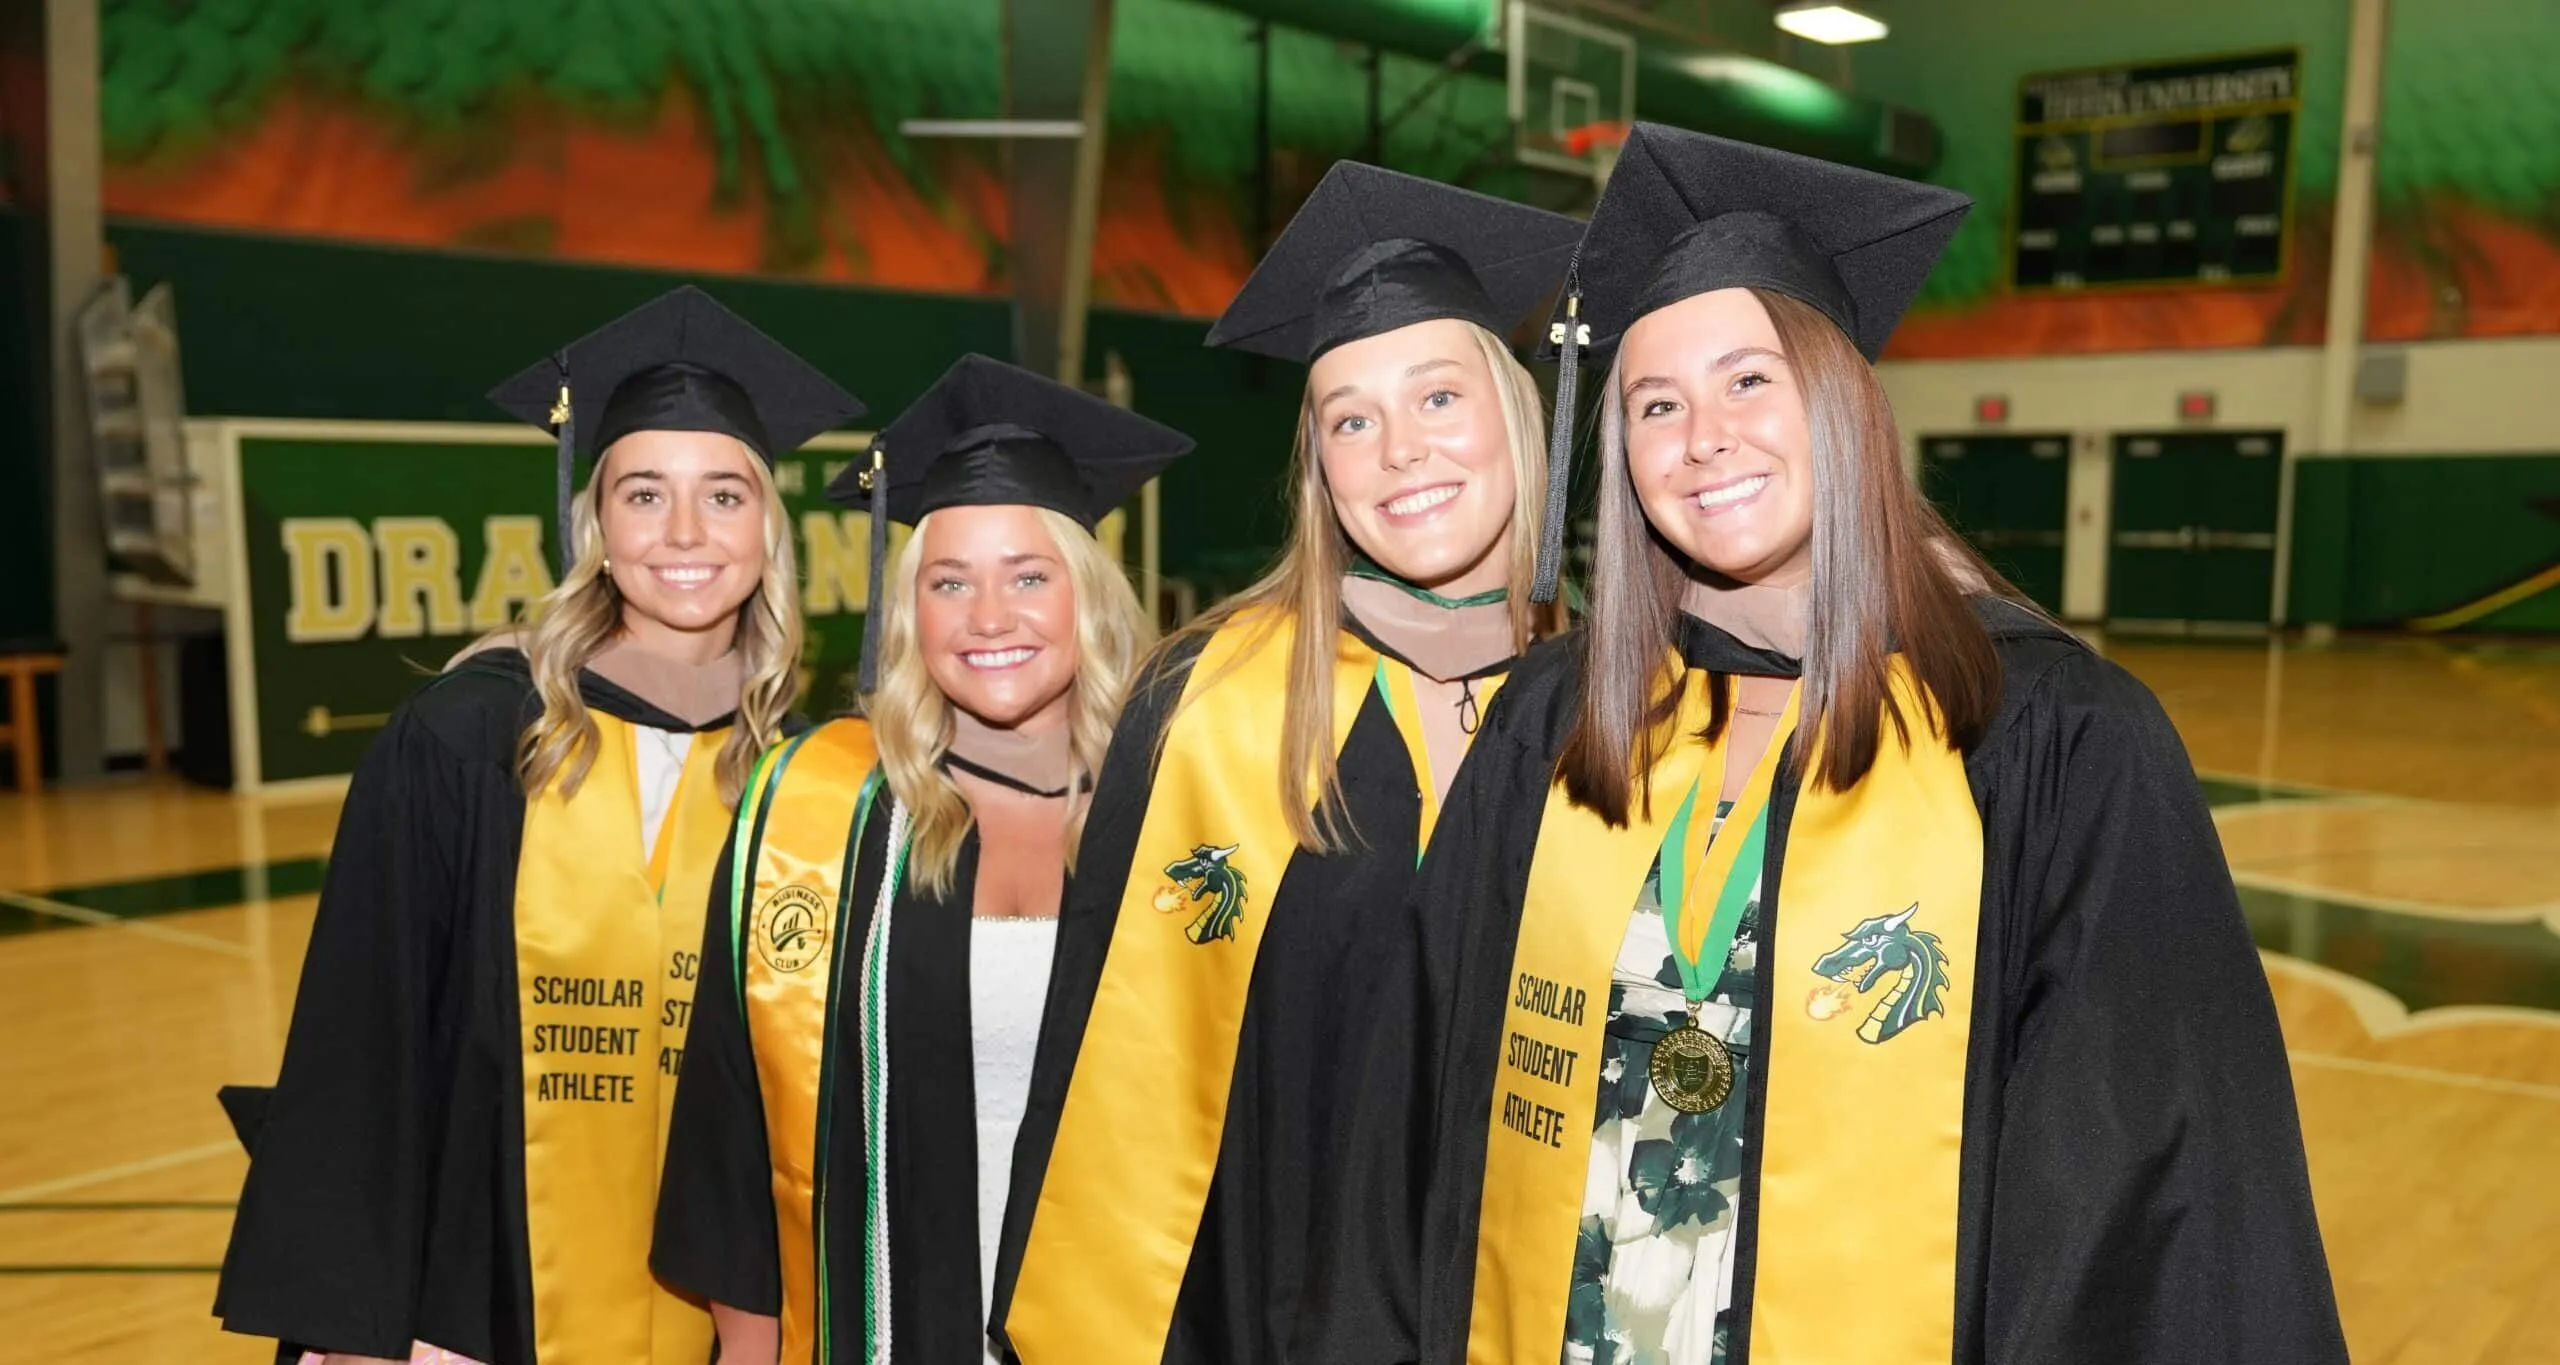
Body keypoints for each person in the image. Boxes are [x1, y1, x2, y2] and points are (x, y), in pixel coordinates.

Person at [1319, 125, 2349, 1365]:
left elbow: (2139, 1204)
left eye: (1750, 379)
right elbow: (1417, 1129)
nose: (1702, 435)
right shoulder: (1556, 721)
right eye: (1655, 402)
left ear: (1844, 400)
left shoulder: (2051, 740)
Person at [991, 162, 1582, 1365]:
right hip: (1282, 1312)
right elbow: (1106, 1069)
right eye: (1350, 420)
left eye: (1437, 399)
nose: (1398, 452)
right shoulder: (1211, 700)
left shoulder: (1633, 703)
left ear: (1519, 415)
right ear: (1318, 466)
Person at [213, 286, 863, 1365]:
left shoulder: (808, 777)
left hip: (723, 1316)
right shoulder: (470, 736)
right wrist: (363, 1330)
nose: (686, 533)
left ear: (768, 529)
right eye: (644, 494)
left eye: (726, 495)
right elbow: (363, 1042)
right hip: (472, 1303)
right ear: (595, 525)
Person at [650, 353, 1195, 1365]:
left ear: (1091, 596)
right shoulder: (818, 819)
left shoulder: (1185, 818)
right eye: (950, 583)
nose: (989, 618)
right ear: (911, 615)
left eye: (1029, 576)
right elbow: (729, 1137)